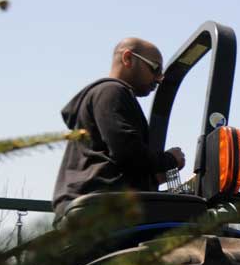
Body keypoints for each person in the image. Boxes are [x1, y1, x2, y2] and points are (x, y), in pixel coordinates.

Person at [52, 37, 186, 217]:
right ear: (128, 58)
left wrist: (152, 178)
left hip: (87, 203)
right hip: (99, 206)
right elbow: (128, 152)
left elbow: (116, 161)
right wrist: (170, 159)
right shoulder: (111, 91)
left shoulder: (104, 95)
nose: (159, 78)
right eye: (155, 69)